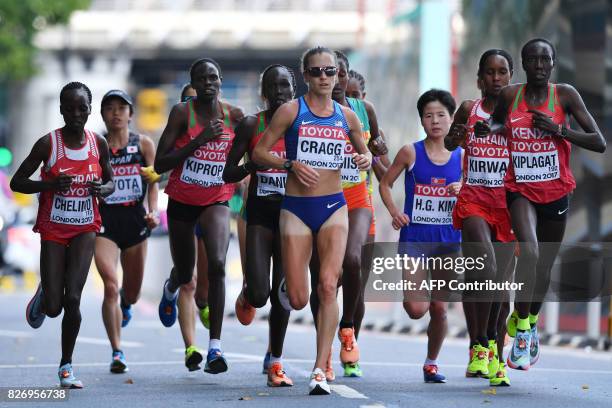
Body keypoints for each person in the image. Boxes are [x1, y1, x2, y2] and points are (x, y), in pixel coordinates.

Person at [475, 38, 605, 371]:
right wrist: (486, 127)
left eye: (544, 60)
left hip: (557, 191)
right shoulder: (510, 95)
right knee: (529, 253)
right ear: (525, 63)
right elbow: (501, 122)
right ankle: (520, 329)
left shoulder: (564, 95)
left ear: (553, 63)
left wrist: (560, 130)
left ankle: (528, 320)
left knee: (544, 265)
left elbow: (599, 142)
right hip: (519, 189)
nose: (538, 66)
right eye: (532, 60)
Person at [252, 46, 371, 395]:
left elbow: (362, 150)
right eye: (316, 71)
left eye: (330, 71)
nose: (324, 77)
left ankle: (321, 368)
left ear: (337, 76)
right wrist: (288, 164)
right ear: (305, 75)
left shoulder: (347, 116)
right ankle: (292, 281)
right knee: (300, 298)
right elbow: (260, 151)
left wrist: (363, 159)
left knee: (328, 286)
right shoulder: (292, 110)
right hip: (296, 209)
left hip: (334, 206)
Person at [12, 82, 114, 388]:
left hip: (85, 227)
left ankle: (66, 366)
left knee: (73, 298)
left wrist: (102, 189)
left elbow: (109, 181)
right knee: (54, 307)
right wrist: (50, 185)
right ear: (61, 110)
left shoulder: (99, 144)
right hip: (54, 228)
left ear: (89, 109)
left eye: (81, 108)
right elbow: (18, 182)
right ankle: (47, 291)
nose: (75, 114)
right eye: (69, 108)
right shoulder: (48, 144)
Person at [154, 58, 244, 374]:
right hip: (182, 199)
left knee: (218, 265)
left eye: (214, 77)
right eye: (202, 78)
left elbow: (244, 155)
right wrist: (199, 141)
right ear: (193, 83)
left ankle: (215, 348)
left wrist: (244, 175)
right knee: (184, 271)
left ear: (220, 81)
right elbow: (161, 163)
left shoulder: (234, 116)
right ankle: (171, 287)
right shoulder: (182, 113)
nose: (209, 83)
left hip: (217, 198)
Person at [307, 52, 386, 379]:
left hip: (357, 199)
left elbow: (378, 148)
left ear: (344, 75)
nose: (334, 79)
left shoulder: (362, 110)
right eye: (327, 72)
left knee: (353, 264)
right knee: (323, 283)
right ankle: (323, 350)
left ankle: (348, 329)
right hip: (320, 200)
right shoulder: (306, 110)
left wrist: (377, 153)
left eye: (338, 72)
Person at [379, 89, 462, 384]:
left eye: (441, 115)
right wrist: (394, 212)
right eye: (429, 116)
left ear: (452, 119)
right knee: (417, 309)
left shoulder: (463, 157)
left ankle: (431, 364)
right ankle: (417, 297)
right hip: (415, 239)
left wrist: (463, 191)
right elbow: (385, 184)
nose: (435, 121)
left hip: (449, 241)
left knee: (439, 309)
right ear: (422, 121)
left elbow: (482, 194)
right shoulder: (410, 152)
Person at [445, 49, 515, 386]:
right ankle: (483, 343)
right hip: (473, 200)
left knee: (498, 285)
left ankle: (494, 355)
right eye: (490, 72)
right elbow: (449, 143)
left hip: (509, 206)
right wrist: (457, 134)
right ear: (480, 78)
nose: (496, 78)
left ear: (510, 77)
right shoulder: (469, 109)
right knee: (485, 266)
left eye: (502, 72)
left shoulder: (519, 112)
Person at [223, 64, 297, 387]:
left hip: (292, 218)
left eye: (286, 87)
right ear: (264, 94)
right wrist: (253, 164)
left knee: (283, 293)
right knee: (259, 293)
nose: (280, 93)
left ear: (294, 91)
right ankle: (246, 294)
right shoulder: (253, 125)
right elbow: (228, 173)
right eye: (274, 87)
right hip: (259, 215)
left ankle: (276, 362)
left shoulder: (303, 126)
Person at [95, 89, 160, 374]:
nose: (116, 113)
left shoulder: (143, 144)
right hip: (105, 222)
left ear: (131, 114)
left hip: (135, 221)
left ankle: (127, 302)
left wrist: (153, 210)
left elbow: (154, 181)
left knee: (130, 293)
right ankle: (117, 351)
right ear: (103, 115)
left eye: (122, 107)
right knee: (110, 284)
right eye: (110, 108)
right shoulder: (97, 147)